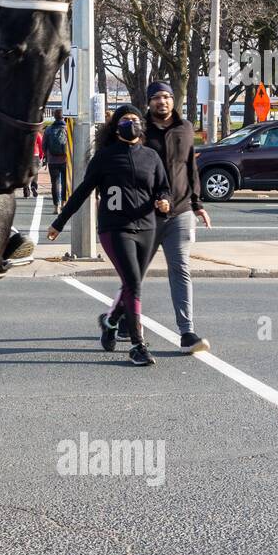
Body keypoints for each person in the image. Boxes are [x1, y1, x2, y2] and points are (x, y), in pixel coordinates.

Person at [47, 104, 170, 366]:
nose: (131, 123)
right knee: (133, 283)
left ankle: (110, 321)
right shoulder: (104, 157)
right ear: (116, 127)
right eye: (125, 120)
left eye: (135, 119)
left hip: (147, 227)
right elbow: (82, 191)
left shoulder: (151, 156)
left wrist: (164, 201)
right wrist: (59, 222)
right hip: (115, 228)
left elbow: (163, 188)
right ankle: (137, 345)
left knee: (131, 283)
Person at [106, 82, 212, 353]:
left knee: (181, 269)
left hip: (181, 211)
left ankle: (187, 332)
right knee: (135, 276)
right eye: (156, 98)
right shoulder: (140, 130)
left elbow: (191, 167)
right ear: (149, 102)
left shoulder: (185, 129)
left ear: (173, 100)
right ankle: (115, 318)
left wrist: (198, 204)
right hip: (145, 216)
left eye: (166, 97)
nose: (162, 102)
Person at [44, 108, 70, 212]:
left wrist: (46, 156)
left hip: (52, 160)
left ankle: (56, 207)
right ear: (63, 117)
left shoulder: (49, 129)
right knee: (65, 182)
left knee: (54, 183)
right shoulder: (68, 128)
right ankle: (64, 203)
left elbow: (44, 145)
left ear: (54, 116)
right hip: (65, 160)